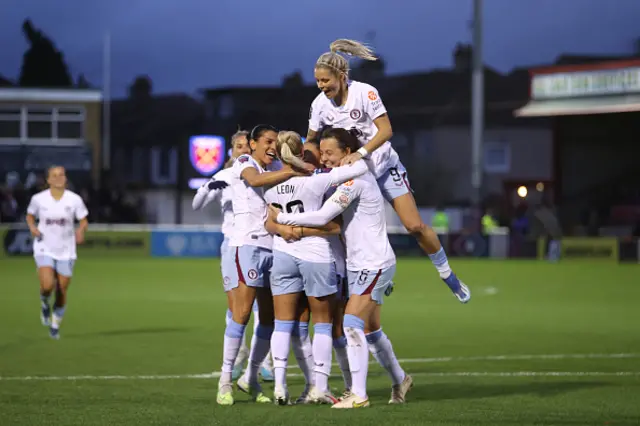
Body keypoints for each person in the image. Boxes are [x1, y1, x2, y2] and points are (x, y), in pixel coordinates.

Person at [306, 39, 470, 303]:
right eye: (318, 81)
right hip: (354, 177)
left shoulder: (366, 93)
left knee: (414, 225)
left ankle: (447, 274)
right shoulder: (319, 105)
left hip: (382, 166)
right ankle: (371, 278)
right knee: (344, 231)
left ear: (342, 76)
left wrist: (360, 153)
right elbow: (311, 141)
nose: (321, 86)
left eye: (326, 80)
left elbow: (386, 131)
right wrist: (305, 165)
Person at [272, 128, 412, 408]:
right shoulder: (352, 174)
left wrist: (283, 217)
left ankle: (358, 395)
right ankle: (400, 378)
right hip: (360, 264)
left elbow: (325, 216)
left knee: (350, 324)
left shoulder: (356, 178)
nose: (324, 159)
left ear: (347, 152)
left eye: (329, 153)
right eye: (321, 153)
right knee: (371, 331)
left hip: (373, 263)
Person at [263, 130, 368, 405]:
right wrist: (356, 153)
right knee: (323, 324)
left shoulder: (270, 187)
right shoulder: (316, 182)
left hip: (282, 254)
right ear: (301, 154)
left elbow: (269, 223)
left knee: (283, 324)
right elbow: (359, 168)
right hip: (315, 256)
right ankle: (320, 386)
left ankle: (279, 387)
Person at [215, 124, 311, 406]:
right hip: (247, 247)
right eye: (267, 141)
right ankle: (224, 382)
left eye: (275, 143)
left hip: (272, 248)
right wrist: (295, 170)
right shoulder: (246, 162)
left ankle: (252, 377)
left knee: (268, 319)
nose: (272, 147)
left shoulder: (274, 173)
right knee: (241, 314)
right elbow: (255, 181)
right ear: (253, 143)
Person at [193, 130, 275, 382]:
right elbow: (197, 204)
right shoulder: (226, 175)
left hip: (261, 244)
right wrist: (208, 187)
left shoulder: (258, 172)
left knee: (265, 307)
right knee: (237, 307)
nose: (242, 150)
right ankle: (238, 355)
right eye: (238, 146)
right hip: (233, 245)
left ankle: (265, 362)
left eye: (245, 146)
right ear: (231, 150)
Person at [302, 139, 352, 399]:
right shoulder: (303, 182)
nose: (320, 159)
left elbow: (337, 224)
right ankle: (313, 385)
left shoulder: (334, 181)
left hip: (335, 260)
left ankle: (349, 384)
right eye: (316, 155)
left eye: (323, 154)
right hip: (308, 259)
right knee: (301, 325)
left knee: (337, 328)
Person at [25, 165, 88, 340]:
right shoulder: (39, 199)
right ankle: (44, 303)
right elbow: (30, 215)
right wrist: (32, 227)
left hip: (66, 251)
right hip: (44, 247)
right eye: (55, 175)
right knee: (47, 285)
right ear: (49, 180)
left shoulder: (74, 200)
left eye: (62, 175)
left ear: (66, 179)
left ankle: (55, 324)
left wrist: (81, 231)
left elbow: (83, 220)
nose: (59, 178)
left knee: (62, 289)